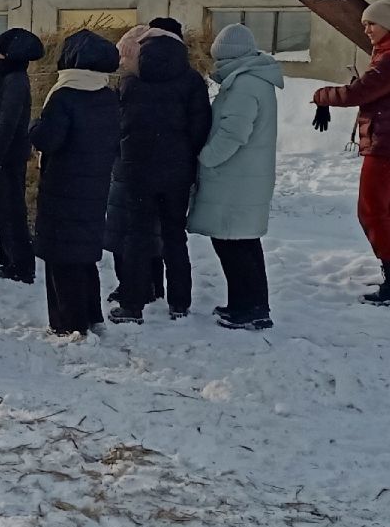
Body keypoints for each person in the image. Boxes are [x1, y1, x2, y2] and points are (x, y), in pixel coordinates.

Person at [311, 0, 390, 306]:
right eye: (364, 24)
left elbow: (358, 93)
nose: (366, 29)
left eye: (371, 24)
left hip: (385, 143)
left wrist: (321, 96)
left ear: (388, 26)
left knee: (372, 210)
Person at [105, 25, 210, 322]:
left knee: (137, 236)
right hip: (178, 172)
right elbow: (200, 128)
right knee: (174, 236)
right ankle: (180, 302)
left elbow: (119, 127)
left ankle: (132, 304)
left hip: (138, 170)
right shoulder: (192, 81)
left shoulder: (130, 83)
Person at [188, 22, 283, 330]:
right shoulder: (254, 79)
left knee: (233, 245)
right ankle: (250, 304)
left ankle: (249, 309)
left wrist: (205, 158)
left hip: (235, 179)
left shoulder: (244, 85)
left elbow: (233, 133)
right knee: (243, 244)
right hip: (244, 178)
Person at [28, 29, 122, 338]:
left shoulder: (65, 95)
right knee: (83, 255)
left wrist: (34, 127)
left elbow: (50, 139)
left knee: (61, 257)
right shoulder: (108, 95)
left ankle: (68, 324)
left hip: (63, 186)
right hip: (94, 185)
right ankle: (92, 315)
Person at [0, 26, 45, 283]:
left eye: (0, 53)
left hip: (9, 157)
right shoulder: (3, 78)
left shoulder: (15, 82)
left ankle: (21, 265)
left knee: (11, 212)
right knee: (3, 211)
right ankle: (9, 262)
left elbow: (7, 125)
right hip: (4, 156)